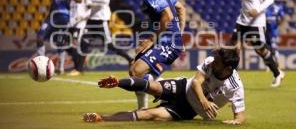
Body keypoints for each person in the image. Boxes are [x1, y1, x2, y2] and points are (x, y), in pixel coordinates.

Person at [83, 48, 246, 125]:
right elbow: (196, 82)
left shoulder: (235, 86)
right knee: (152, 86)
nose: (212, 62)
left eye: (217, 62)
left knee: (150, 114)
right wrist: (204, 100)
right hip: (184, 87)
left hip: (188, 110)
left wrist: (236, 122)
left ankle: (101, 118)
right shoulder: (211, 62)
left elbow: (240, 116)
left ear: (227, 69)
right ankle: (118, 82)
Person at [124, 0, 186, 109]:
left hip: (167, 42)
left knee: (136, 71)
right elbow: (181, 7)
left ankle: (173, 92)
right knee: (135, 69)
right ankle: (145, 107)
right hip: (168, 40)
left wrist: (152, 39)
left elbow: (168, 15)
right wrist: (180, 34)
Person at [230, 0, 284, 87]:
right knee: (234, 48)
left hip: (256, 21)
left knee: (260, 50)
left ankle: (277, 73)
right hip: (242, 20)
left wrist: (257, 9)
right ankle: (231, 79)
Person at [78, 0, 133, 66]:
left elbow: (105, 0)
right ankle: (78, 68)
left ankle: (130, 59)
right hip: (93, 17)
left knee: (109, 45)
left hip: (101, 19)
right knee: (84, 40)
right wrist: (87, 1)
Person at [67, 0, 92, 76]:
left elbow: (90, 10)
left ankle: (77, 69)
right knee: (68, 45)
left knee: (74, 44)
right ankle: (80, 65)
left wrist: (82, 17)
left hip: (80, 24)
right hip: (71, 24)